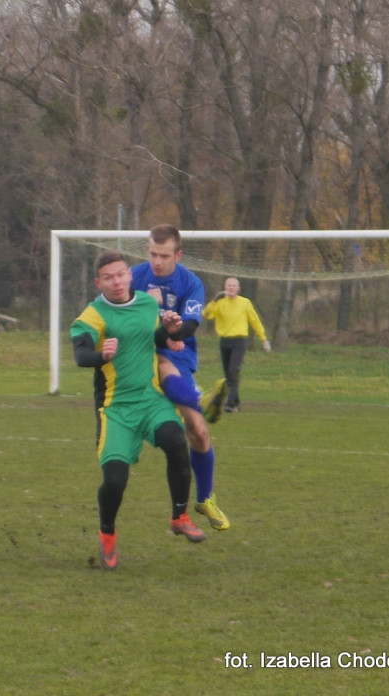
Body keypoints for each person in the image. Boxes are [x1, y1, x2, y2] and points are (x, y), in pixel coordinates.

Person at [72, 250, 206, 571]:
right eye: (108, 277)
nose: (116, 282)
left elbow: (154, 337)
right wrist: (100, 354)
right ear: (98, 282)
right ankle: (107, 532)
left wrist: (171, 332)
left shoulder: (148, 304)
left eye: (120, 274)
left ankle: (179, 515)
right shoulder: (93, 315)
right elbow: (80, 354)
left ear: (130, 275)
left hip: (150, 400)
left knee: (176, 441)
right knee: (115, 482)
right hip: (115, 409)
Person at [130, 224, 230, 531]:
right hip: (144, 353)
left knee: (198, 432)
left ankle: (205, 499)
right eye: (152, 253)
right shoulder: (133, 276)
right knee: (161, 365)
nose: (156, 261)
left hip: (180, 353)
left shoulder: (190, 282)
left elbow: (191, 324)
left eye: (163, 255)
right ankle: (202, 401)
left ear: (178, 254)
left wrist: (176, 330)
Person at [202, 276, 270, 413]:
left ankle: (230, 404)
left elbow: (254, 321)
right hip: (225, 341)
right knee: (228, 375)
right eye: (228, 285)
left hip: (239, 340)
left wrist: (263, 339)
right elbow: (206, 314)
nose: (231, 288)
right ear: (224, 288)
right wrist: (215, 299)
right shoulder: (220, 302)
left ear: (238, 289)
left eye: (234, 285)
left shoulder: (245, 303)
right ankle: (237, 402)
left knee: (234, 370)